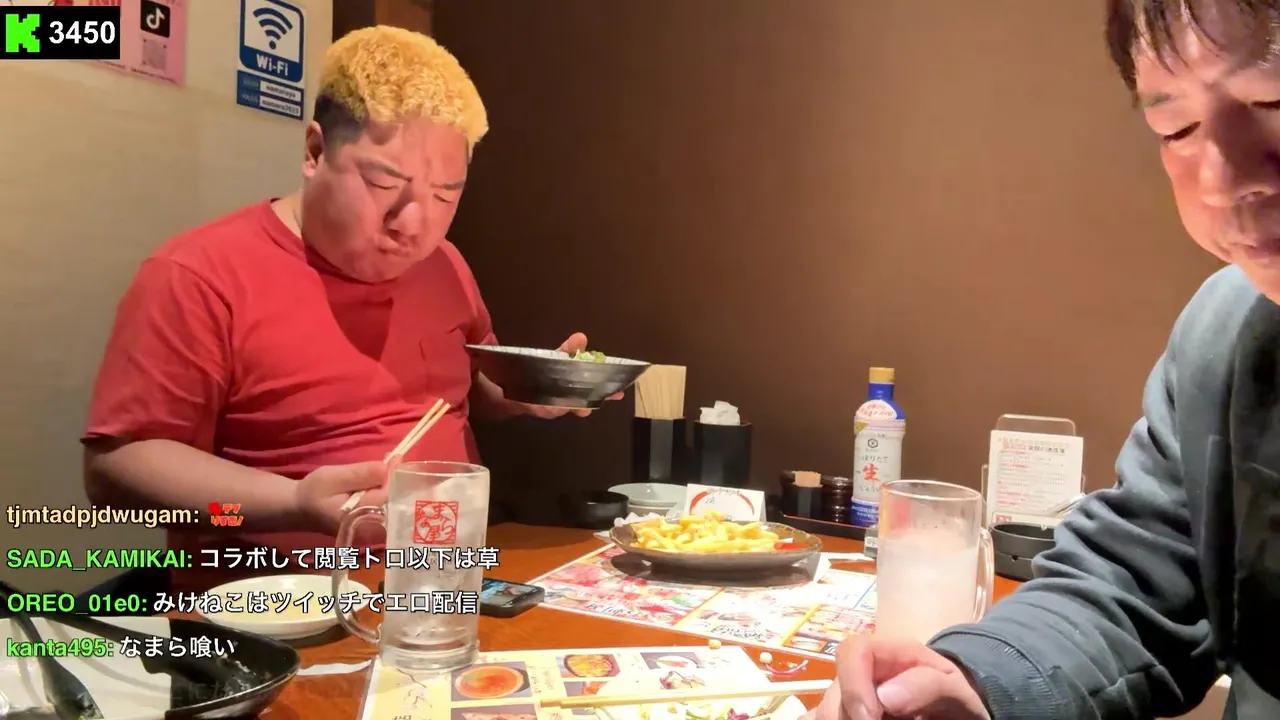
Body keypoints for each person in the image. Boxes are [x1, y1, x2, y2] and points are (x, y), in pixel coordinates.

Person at [808, 1, 1280, 719]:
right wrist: (974, 680)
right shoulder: (1228, 335)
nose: (1221, 178)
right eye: (1176, 127)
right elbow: (1131, 578)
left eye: (1272, 97)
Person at [81, 26, 611, 594]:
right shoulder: (198, 275)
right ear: (315, 152)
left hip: (444, 586)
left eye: (445, 195)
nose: (413, 224)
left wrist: (528, 389)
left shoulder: (446, 265)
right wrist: (292, 502)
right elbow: (116, 470)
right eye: (384, 182)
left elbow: (465, 391)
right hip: (274, 610)